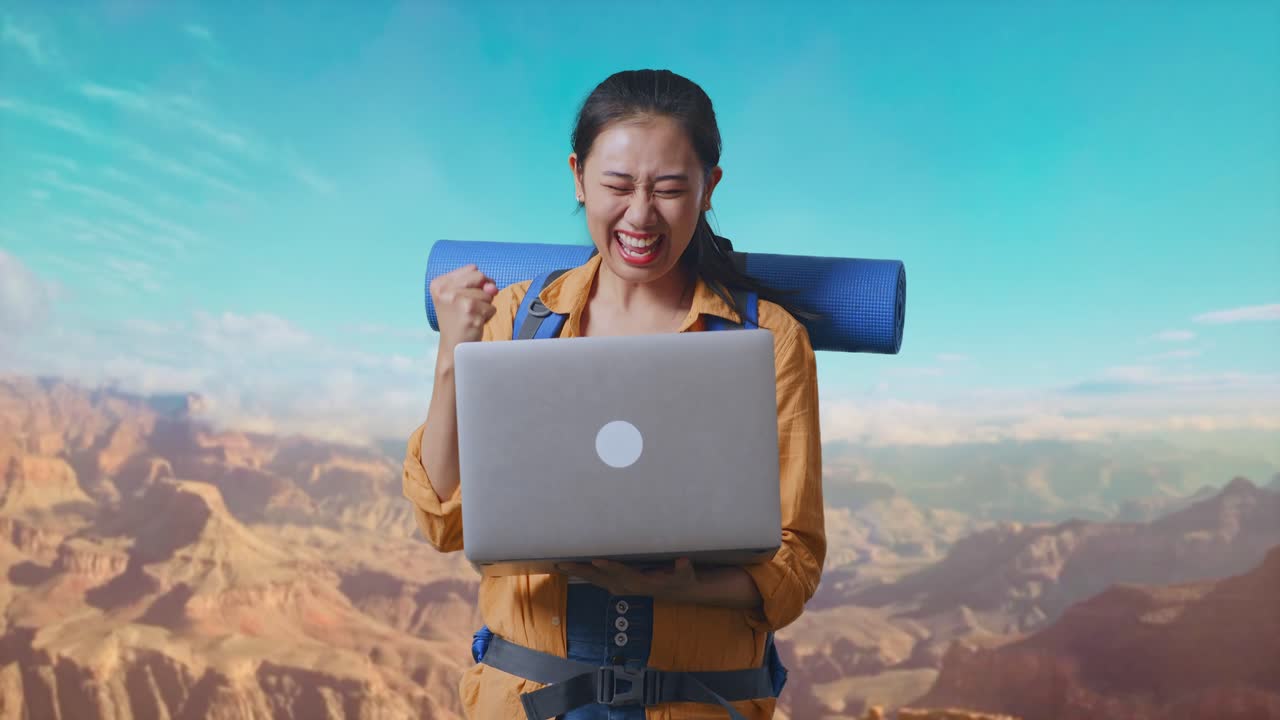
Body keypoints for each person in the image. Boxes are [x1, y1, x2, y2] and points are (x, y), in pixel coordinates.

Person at [402, 69, 825, 719]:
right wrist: (455, 356)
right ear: (578, 177)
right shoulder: (515, 319)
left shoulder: (769, 339)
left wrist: (691, 588)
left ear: (710, 188)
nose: (640, 215)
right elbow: (443, 522)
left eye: (670, 189)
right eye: (618, 185)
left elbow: (792, 568)